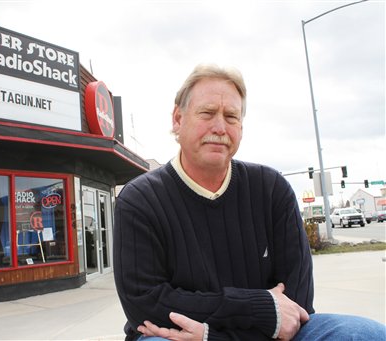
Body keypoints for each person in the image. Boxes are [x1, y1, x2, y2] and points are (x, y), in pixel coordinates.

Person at [113, 63, 386, 341]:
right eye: (207, 113)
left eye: (231, 116)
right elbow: (145, 304)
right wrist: (259, 307)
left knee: (365, 334)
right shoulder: (140, 200)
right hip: (179, 337)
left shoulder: (272, 189)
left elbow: (298, 305)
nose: (219, 127)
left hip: (266, 336)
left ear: (241, 127)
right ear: (178, 119)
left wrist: (215, 337)